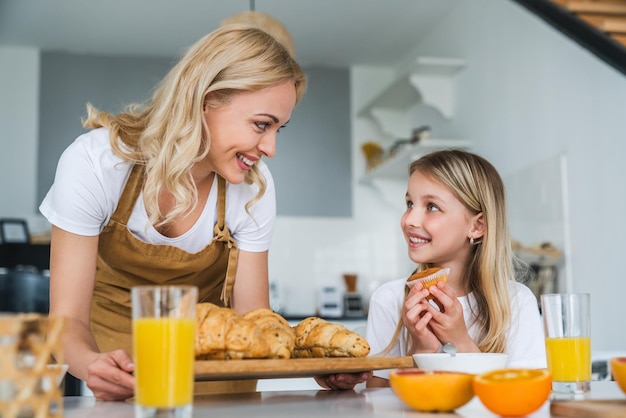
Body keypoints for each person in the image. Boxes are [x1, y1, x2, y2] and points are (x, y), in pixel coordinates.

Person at [39, 23, 309, 401]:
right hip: (121, 371)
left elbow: (255, 324)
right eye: (262, 125)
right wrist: (90, 364)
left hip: (220, 378)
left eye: (279, 129)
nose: (271, 148)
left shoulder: (252, 189)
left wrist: (318, 363)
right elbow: (66, 319)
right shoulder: (97, 164)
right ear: (205, 101)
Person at [365, 150, 547, 387]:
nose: (410, 219)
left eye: (431, 207)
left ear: (477, 226)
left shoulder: (517, 303)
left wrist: (460, 341)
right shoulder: (389, 300)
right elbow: (376, 405)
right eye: (410, 203)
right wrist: (420, 350)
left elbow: (529, 397)